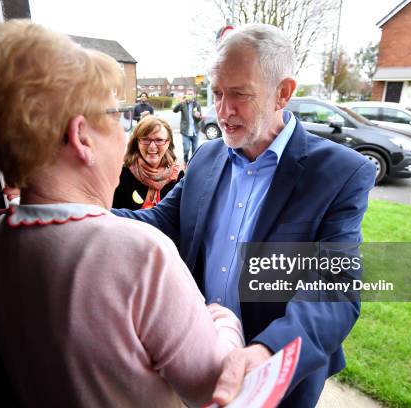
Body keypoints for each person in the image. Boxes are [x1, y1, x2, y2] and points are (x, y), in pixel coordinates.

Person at [0, 20, 244, 408]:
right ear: (82, 138)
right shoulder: (139, 254)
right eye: (115, 114)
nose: (126, 132)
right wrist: (222, 316)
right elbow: (210, 386)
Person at [112, 23, 376, 407]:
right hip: (202, 353)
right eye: (216, 92)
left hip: (278, 376)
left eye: (239, 95)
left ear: (283, 93)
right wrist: (78, 214)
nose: (222, 110)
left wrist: (268, 353)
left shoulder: (340, 173)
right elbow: (162, 224)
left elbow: (334, 289)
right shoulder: (206, 156)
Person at [113, 116, 184, 210]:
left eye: (159, 140)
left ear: (168, 143)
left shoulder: (178, 177)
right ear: (137, 143)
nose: (152, 146)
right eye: (145, 139)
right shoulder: (121, 173)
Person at [173, 91, 202, 164]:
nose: (190, 95)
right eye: (188, 94)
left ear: (194, 95)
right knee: (186, 149)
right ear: (186, 95)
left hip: (195, 131)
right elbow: (174, 110)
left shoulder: (197, 104)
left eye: (191, 94)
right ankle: (186, 161)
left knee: (195, 149)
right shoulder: (183, 104)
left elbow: (199, 118)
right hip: (185, 131)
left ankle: (193, 163)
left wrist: (198, 116)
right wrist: (180, 102)